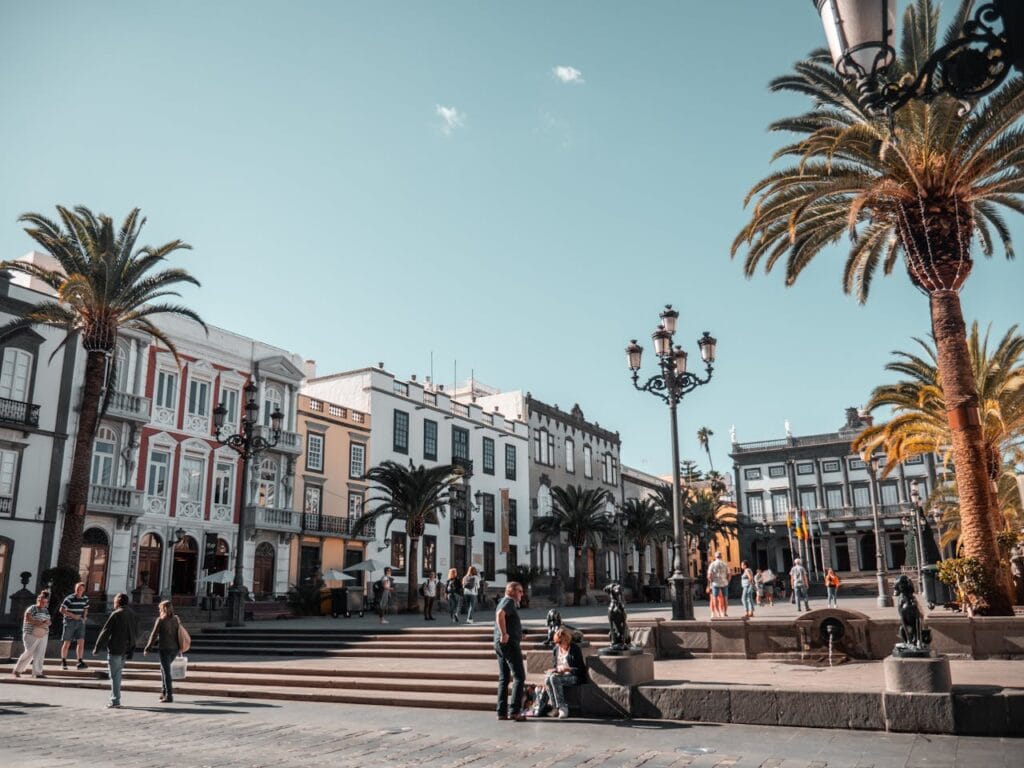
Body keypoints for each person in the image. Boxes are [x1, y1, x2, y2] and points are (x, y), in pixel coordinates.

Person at [93, 593, 136, 708]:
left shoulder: (116, 614)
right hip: (127, 648)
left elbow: (106, 631)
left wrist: (97, 648)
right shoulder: (132, 613)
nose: (113, 603)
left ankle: (115, 700)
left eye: (115, 601)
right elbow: (135, 630)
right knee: (117, 674)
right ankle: (115, 698)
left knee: (115, 675)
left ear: (118, 602)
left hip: (116, 648)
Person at [494, 581, 526, 721]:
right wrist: (504, 634)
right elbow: (500, 615)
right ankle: (515, 711)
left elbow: (505, 618)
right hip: (509, 644)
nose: (522, 594)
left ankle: (501, 712)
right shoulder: (509, 602)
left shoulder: (503, 601)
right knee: (519, 676)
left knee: (504, 678)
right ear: (512, 591)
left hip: (500, 644)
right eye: (520, 591)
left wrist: (517, 633)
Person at [544, 626, 587, 719]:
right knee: (548, 678)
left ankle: (563, 708)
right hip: (560, 675)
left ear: (566, 640)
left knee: (553, 678)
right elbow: (555, 665)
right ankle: (555, 707)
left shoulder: (575, 649)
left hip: (574, 676)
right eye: (556, 642)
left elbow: (581, 669)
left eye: (560, 642)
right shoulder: (556, 650)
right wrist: (554, 670)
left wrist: (568, 669)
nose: (558, 644)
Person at [143, 599, 181, 703]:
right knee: (163, 670)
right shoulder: (176, 619)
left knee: (166, 672)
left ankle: (169, 695)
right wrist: (180, 647)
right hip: (175, 649)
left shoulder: (160, 620)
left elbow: (154, 635)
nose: (159, 610)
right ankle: (164, 692)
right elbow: (179, 634)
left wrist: (148, 648)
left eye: (160, 608)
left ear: (163, 609)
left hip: (165, 648)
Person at [13, 590, 51, 679]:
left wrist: (47, 623)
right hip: (31, 633)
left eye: (45, 602)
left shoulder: (46, 610)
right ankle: (17, 670)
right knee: (29, 652)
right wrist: (40, 623)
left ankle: (37, 672)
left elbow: (49, 621)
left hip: (43, 634)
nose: (43, 603)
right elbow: (28, 619)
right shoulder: (32, 608)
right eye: (42, 601)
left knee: (40, 653)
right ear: (38, 600)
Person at [60, 581, 89, 670]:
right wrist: (73, 616)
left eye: (81, 589)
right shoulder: (69, 598)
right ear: (75, 589)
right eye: (78, 589)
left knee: (81, 642)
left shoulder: (85, 598)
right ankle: (64, 661)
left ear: (83, 590)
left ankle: (80, 661)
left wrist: (84, 618)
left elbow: (86, 608)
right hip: (69, 622)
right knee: (67, 642)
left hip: (80, 622)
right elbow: (62, 610)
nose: (79, 591)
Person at [707, 552, 730, 618]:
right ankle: (725, 612)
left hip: (715, 583)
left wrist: (711, 582)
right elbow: (729, 574)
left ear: (715, 556)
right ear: (721, 556)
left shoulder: (712, 564)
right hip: (724, 583)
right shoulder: (725, 564)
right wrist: (727, 581)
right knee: (725, 598)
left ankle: (717, 612)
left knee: (715, 598)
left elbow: (709, 575)